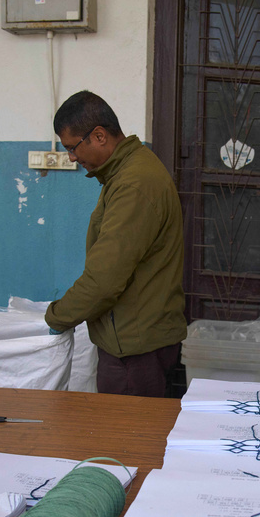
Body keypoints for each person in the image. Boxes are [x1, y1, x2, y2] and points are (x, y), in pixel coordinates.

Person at [45, 90, 187, 397]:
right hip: (136, 338)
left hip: (135, 350)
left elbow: (104, 280)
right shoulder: (127, 172)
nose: (71, 157)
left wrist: (57, 316)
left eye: (72, 147)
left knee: (124, 441)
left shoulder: (134, 183)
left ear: (98, 136)